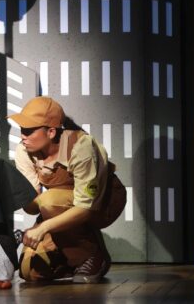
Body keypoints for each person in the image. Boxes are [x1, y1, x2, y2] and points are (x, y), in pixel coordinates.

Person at [11, 96, 126, 284]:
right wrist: (16, 193)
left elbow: (85, 208)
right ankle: (70, 260)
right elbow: (32, 207)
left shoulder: (81, 147)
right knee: (30, 271)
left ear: (51, 132)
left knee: (49, 202)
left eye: (29, 130)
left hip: (103, 202)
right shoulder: (24, 151)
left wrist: (43, 227)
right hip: (60, 205)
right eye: (22, 129)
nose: (23, 135)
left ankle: (92, 255)